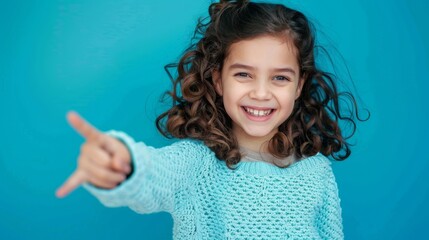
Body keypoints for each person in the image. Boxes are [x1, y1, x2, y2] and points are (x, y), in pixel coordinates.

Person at [56, 0, 368, 239]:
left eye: (280, 78)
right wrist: (121, 162)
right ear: (218, 80)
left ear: (299, 86)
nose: (261, 93)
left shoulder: (317, 171)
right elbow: (151, 174)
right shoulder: (194, 163)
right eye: (244, 74)